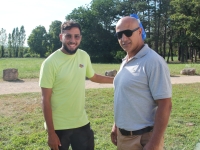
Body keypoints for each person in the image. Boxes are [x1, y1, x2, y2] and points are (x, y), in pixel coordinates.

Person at [39, 20, 113, 150]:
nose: (73, 40)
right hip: (59, 127)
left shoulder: (84, 56)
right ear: (61, 37)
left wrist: (117, 79)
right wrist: (51, 133)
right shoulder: (50, 63)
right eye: (68, 36)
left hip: (81, 123)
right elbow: (45, 100)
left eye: (76, 36)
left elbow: (94, 77)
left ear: (80, 38)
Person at [110, 16, 172, 150]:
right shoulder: (126, 60)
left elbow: (165, 104)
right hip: (124, 137)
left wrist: (154, 143)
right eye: (119, 34)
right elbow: (125, 97)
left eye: (128, 33)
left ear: (139, 31)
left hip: (144, 139)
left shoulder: (153, 61)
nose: (124, 38)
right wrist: (116, 125)